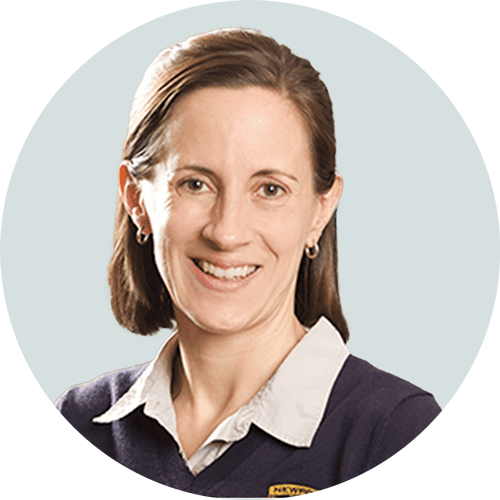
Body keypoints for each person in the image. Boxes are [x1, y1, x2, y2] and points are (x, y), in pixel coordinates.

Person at [28, 28, 479, 498]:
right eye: (195, 184)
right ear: (137, 199)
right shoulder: (76, 431)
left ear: (320, 211)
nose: (227, 232)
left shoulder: (400, 439)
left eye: (270, 189)